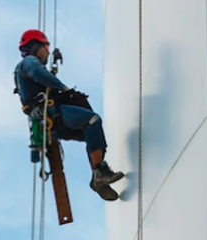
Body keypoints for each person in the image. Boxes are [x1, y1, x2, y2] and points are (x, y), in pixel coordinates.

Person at [15, 29, 125, 200]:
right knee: (92, 120)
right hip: (52, 114)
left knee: (92, 133)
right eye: (46, 47)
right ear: (36, 46)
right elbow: (39, 74)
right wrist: (63, 88)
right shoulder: (28, 62)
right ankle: (99, 172)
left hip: (53, 120)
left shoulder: (24, 71)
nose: (48, 52)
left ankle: (98, 175)